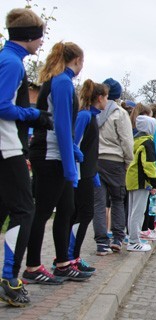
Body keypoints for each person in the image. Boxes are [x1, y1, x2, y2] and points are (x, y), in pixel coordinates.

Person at [25, 41, 91, 284]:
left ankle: (62, 263)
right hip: (50, 155)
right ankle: (32, 266)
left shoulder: (59, 80)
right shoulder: (62, 82)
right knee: (42, 211)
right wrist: (69, 166)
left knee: (66, 210)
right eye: (82, 61)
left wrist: (70, 154)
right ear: (77, 60)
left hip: (56, 153)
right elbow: (63, 126)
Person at [0, 7, 51, 307]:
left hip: (7, 145)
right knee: (24, 211)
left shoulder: (7, 58)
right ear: (30, 37)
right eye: (40, 37)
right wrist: (35, 115)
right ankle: (9, 279)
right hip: (6, 146)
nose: (41, 43)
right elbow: (2, 106)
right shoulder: (12, 63)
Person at [66, 80, 107, 273]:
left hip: (89, 173)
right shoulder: (84, 116)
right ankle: (70, 256)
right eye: (106, 96)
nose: (107, 100)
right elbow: (74, 141)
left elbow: (90, 149)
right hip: (81, 174)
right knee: (83, 214)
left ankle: (72, 256)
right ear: (100, 98)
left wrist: (95, 171)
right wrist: (78, 165)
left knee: (83, 214)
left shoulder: (93, 117)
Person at [92, 78, 133, 256]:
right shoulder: (120, 113)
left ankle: (101, 241)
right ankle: (117, 238)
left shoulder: (93, 111)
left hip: (96, 159)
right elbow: (126, 139)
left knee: (100, 203)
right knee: (117, 200)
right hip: (115, 160)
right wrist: (128, 161)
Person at [125, 115, 156, 252]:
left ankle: (131, 237)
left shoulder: (136, 140)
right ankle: (134, 241)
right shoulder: (148, 143)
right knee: (138, 212)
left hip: (132, 178)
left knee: (132, 211)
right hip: (141, 180)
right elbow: (149, 165)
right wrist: (155, 182)